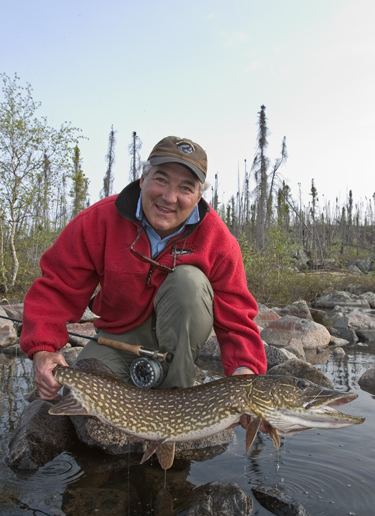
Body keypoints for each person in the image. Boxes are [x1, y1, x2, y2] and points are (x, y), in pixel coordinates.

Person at [20, 136, 267, 415]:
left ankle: (177, 397)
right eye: (161, 180)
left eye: (185, 188)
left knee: (189, 283)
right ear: (143, 178)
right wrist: (43, 349)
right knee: (80, 396)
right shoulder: (98, 221)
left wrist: (246, 372)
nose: (169, 197)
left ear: (198, 197)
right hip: (118, 336)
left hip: (179, 336)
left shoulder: (218, 241)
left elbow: (237, 319)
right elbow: (57, 289)